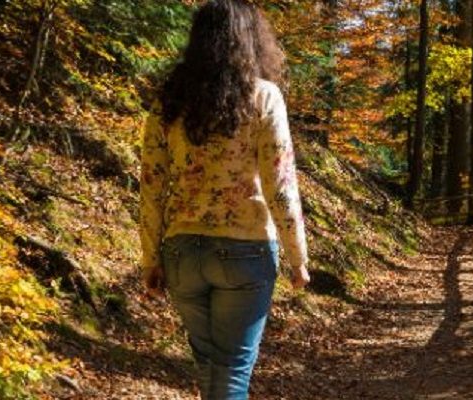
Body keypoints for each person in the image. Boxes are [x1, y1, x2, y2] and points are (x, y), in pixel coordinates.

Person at [139, 1, 310, 398]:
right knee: (231, 372)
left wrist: (150, 257)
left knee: (209, 368)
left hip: (182, 252)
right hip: (245, 252)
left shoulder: (169, 101)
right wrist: (297, 257)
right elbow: (280, 183)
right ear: (251, 40)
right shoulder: (264, 96)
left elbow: (151, 184)